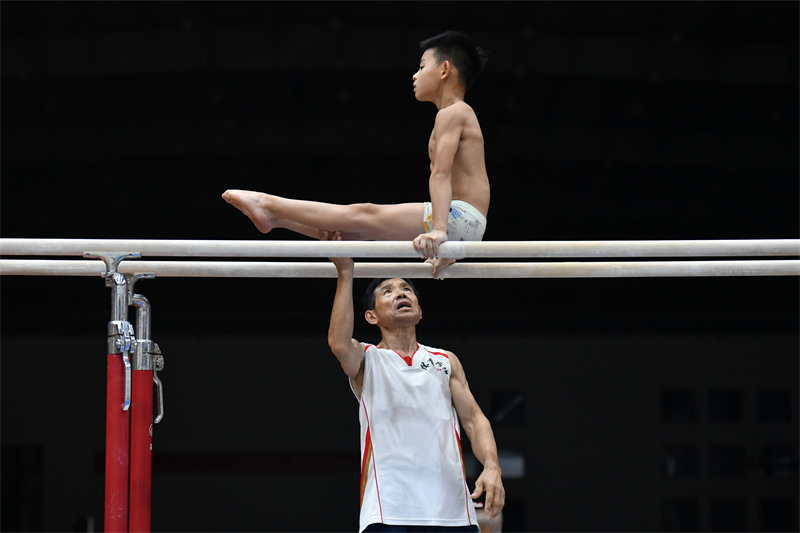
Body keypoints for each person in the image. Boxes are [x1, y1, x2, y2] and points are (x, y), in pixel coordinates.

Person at [222, 30, 491, 278]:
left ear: (445, 69)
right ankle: (277, 219)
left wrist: (440, 231)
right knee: (353, 231)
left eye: (421, 67)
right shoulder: (455, 114)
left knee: (364, 214)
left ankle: (268, 204)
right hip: (466, 225)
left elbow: (441, 174)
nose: (415, 75)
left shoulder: (454, 112)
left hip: (460, 218)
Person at [323, 229, 504, 532]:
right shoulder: (367, 358)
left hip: (452, 511)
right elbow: (339, 344)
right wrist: (345, 272)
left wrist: (492, 466)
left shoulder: (445, 360)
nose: (401, 293)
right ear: (371, 316)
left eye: (407, 288)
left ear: (419, 311)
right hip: (390, 509)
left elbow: (474, 420)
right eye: (388, 291)